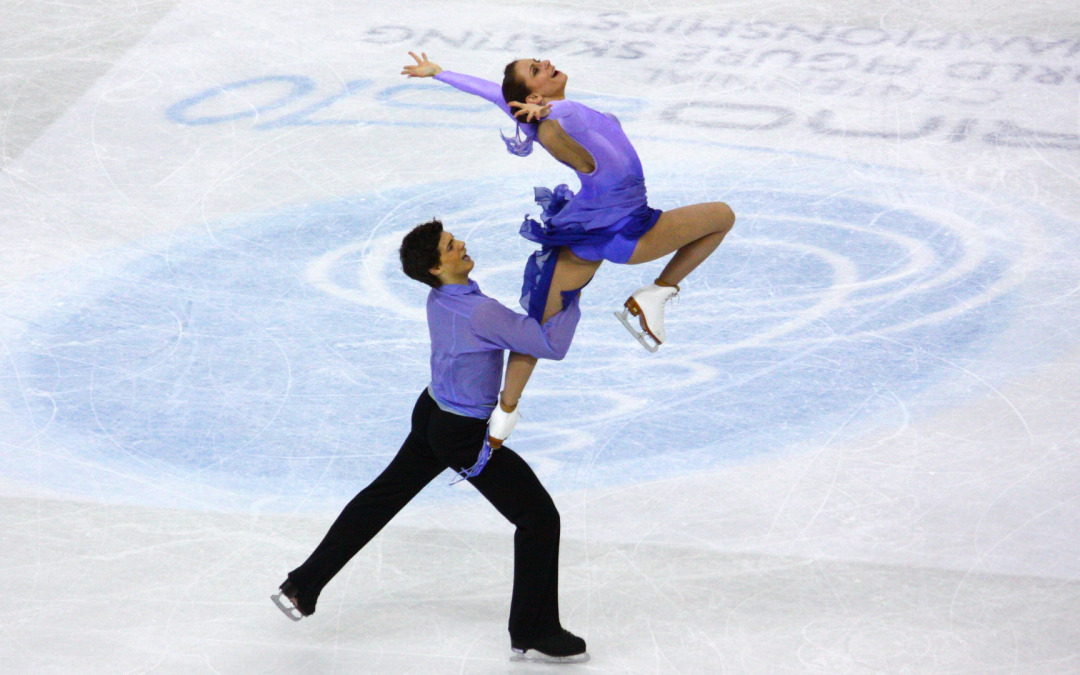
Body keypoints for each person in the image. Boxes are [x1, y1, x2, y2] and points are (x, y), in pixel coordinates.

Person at [272, 219, 588, 663]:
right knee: (538, 517)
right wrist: (572, 292)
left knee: (380, 497)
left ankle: (303, 585)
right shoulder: (479, 312)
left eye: (454, 239)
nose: (461, 245)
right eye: (450, 245)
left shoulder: (441, 298)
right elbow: (545, 345)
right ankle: (534, 629)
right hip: (460, 433)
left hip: (432, 412)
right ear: (437, 267)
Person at [401, 52, 735, 411]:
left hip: (583, 232)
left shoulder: (542, 117)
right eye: (535, 69)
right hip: (629, 233)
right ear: (534, 98)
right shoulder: (559, 119)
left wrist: (441, 73)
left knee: (538, 329)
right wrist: (549, 111)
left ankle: (505, 415)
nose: (545, 62)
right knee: (722, 217)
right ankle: (658, 292)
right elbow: (567, 114)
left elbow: (492, 93)